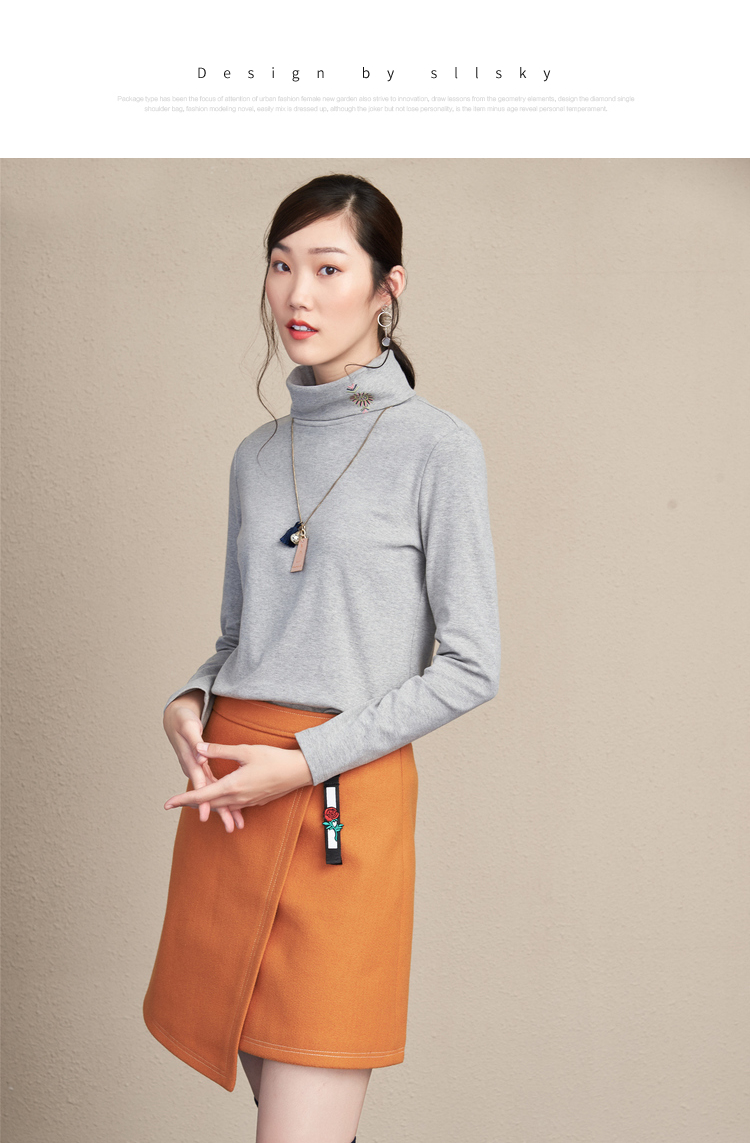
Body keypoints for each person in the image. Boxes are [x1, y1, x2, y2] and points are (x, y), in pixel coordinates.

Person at [143, 173, 501, 1143]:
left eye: (328, 268)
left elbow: (472, 664)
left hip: (340, 801)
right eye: (280, 265)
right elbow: (237, 637)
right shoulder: (257, 456)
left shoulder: (438, 449)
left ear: (388, 287)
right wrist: (189, 700)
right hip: (231, 798)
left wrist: (302, 762)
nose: (297, 294)